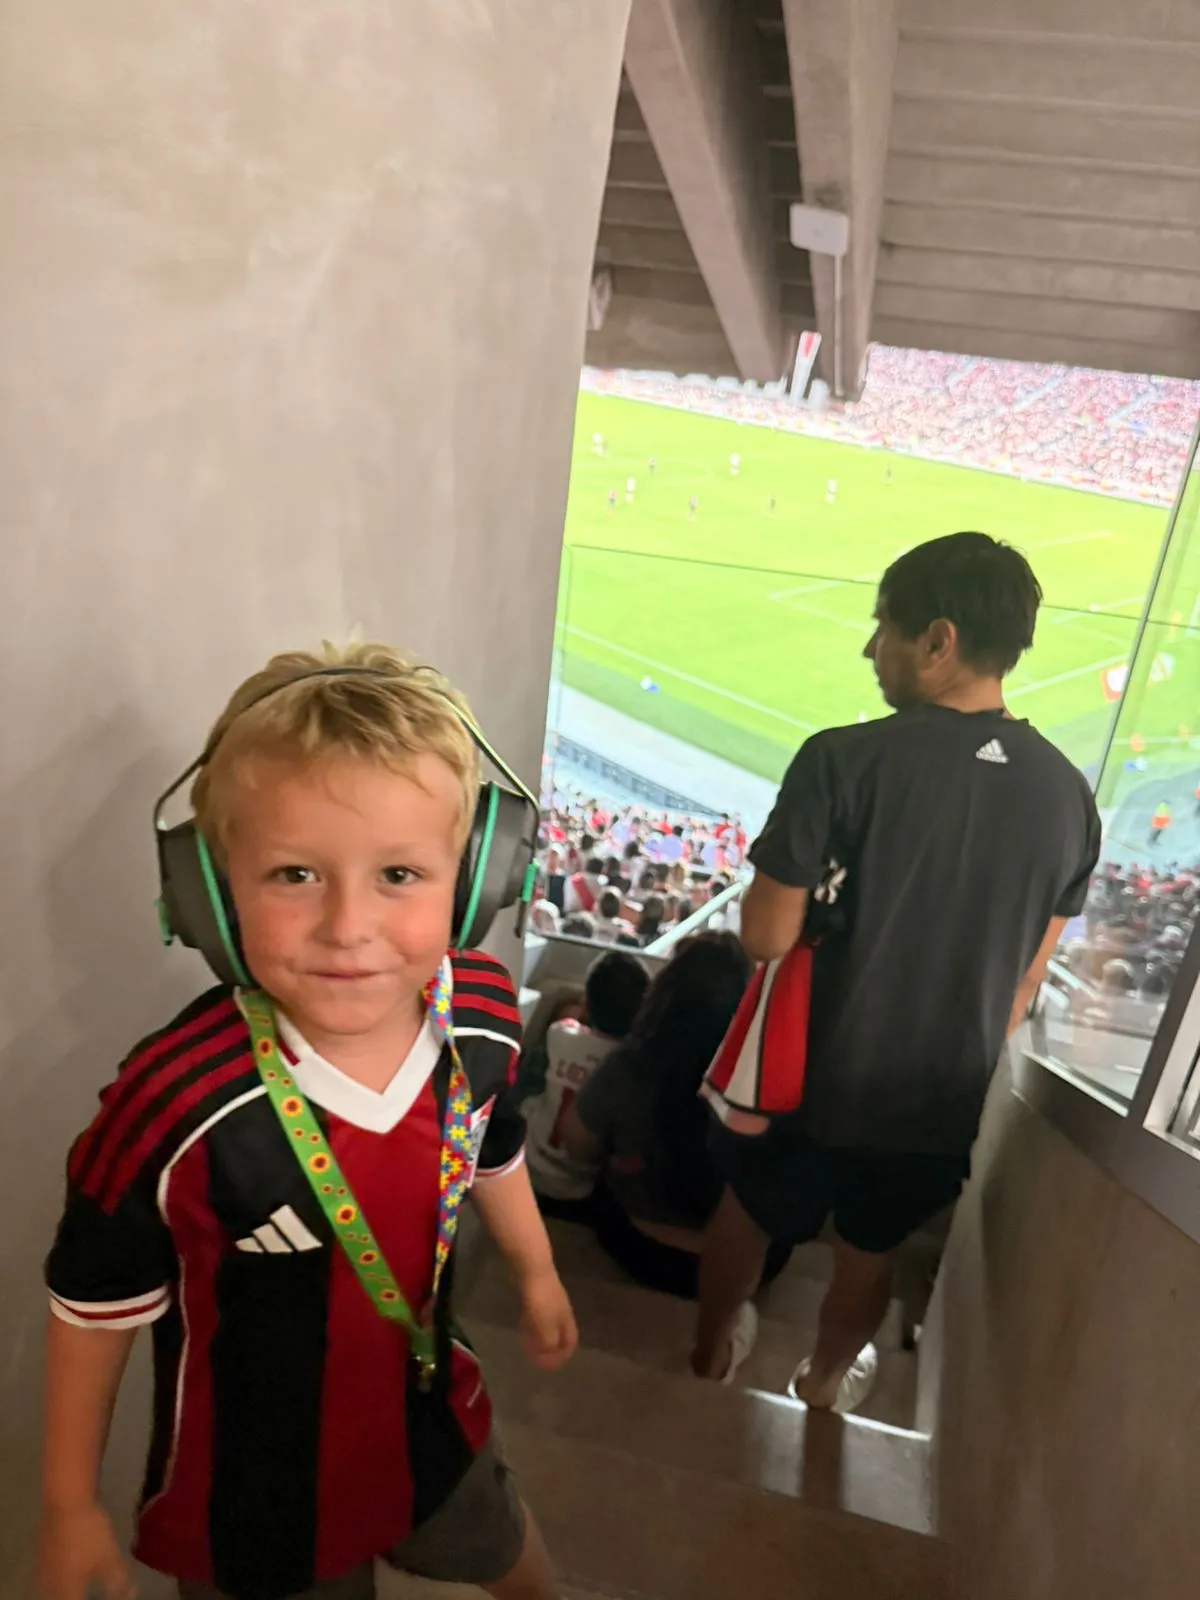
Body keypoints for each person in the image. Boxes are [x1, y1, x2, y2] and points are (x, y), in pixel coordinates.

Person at [39, 644, 577, 1600]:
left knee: (525, 1575)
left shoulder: (485, 1013)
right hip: (252, 1491)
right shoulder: (172, 1104)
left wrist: (534, 1270)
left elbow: (490, 1146)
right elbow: (92, 1304)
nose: (347, 925)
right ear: (207, 894)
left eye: (401, 874)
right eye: (293, 874)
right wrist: (67, 1505)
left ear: (480, 877)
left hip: (435, 1424)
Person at [692, 532, 1101, 1409]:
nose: (871, 648)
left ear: (939, 639)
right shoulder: (1072, 798)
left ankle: (710, 1355)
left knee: (749, 1211)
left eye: (884, 628)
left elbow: (764, 938)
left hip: (808, 1070)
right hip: (934, 1093)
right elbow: (1026, 985)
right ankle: (828, 1382)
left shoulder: (840, 758)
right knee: (868, 1251)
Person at [564, 935, 784, 1302]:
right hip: (747, 1264)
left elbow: (578, 1147)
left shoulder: (628, 1067)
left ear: (665, 989)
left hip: (640, 1247)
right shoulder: (766, 1076)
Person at [523, 952, 650, 1209]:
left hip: (530, 1169)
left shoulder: (559, 1034)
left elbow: (566, 1022)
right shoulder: (628, 1066)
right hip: (582, 1188)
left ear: (587, 1004)